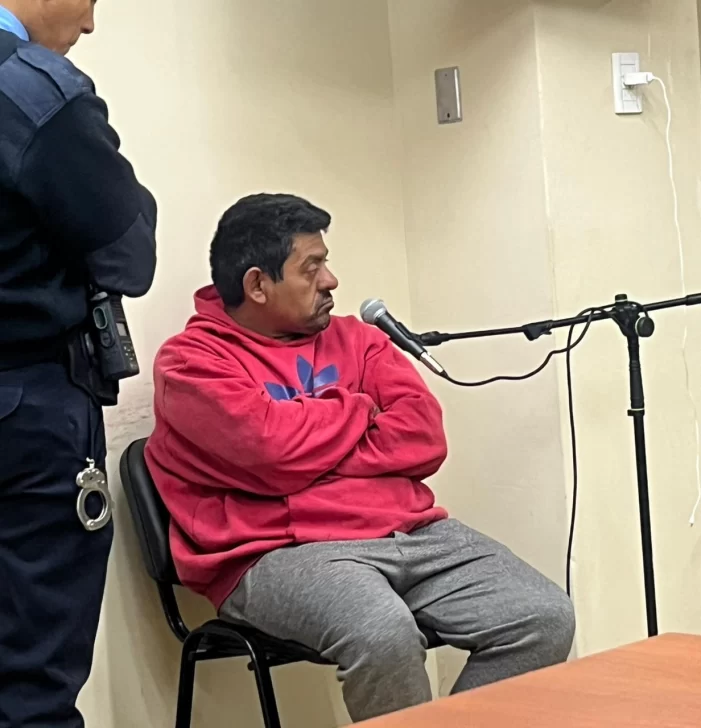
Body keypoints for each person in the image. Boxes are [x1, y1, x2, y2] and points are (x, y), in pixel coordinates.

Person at [145, 193, 574, 722]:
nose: (331, 280)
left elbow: (423, 435)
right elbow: (270, 449)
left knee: (543, 617)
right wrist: (358, 409)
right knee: (382, 633)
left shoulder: (359, 339)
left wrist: (305, 455)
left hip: (409, 532)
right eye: (312, 268)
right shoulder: (191, 363)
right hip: (276, 551)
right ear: (257, 285)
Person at [0, 1, 157, 726]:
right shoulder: (32, 90)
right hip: (24, 414)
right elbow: (128, 254)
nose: (90, 24)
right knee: (29, 687)